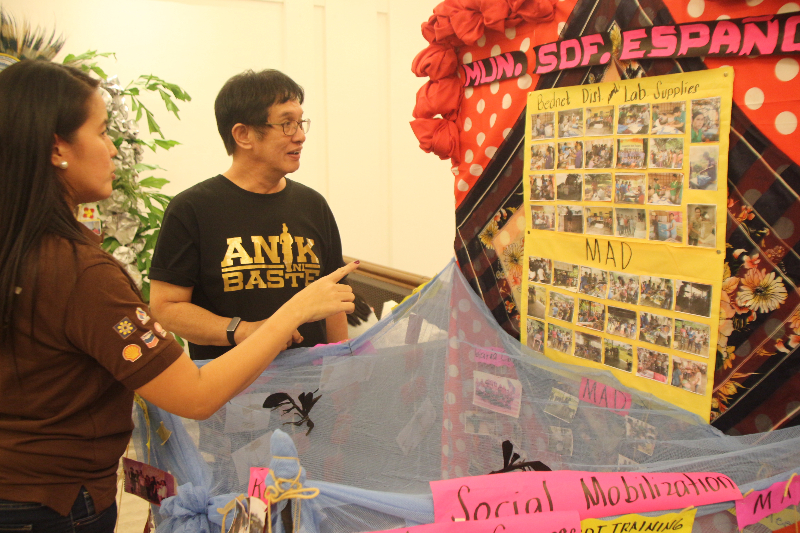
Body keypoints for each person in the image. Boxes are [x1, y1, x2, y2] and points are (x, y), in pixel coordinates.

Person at [0, 60, 357, 532]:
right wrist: (272, 321)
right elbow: (193, 390)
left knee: (299, 509)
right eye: (104, 132)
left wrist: (346, 385)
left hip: (35, 489)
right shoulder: (86, 270)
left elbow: (335, 311)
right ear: (56, 148)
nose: (114, 150)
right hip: (59, 499)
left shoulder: (25, 250)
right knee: (240, 513)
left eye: (300, 122)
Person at [149, 70, 348, 360]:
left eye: (300, 123)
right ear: (243, 135)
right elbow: (166, 308)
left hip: (311, 391)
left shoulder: (313, 205)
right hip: (228, 392)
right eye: (287, 124)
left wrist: (343, 369)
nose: (301, 136)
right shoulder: (191, 210)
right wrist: (244, 331)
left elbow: (333, 300)